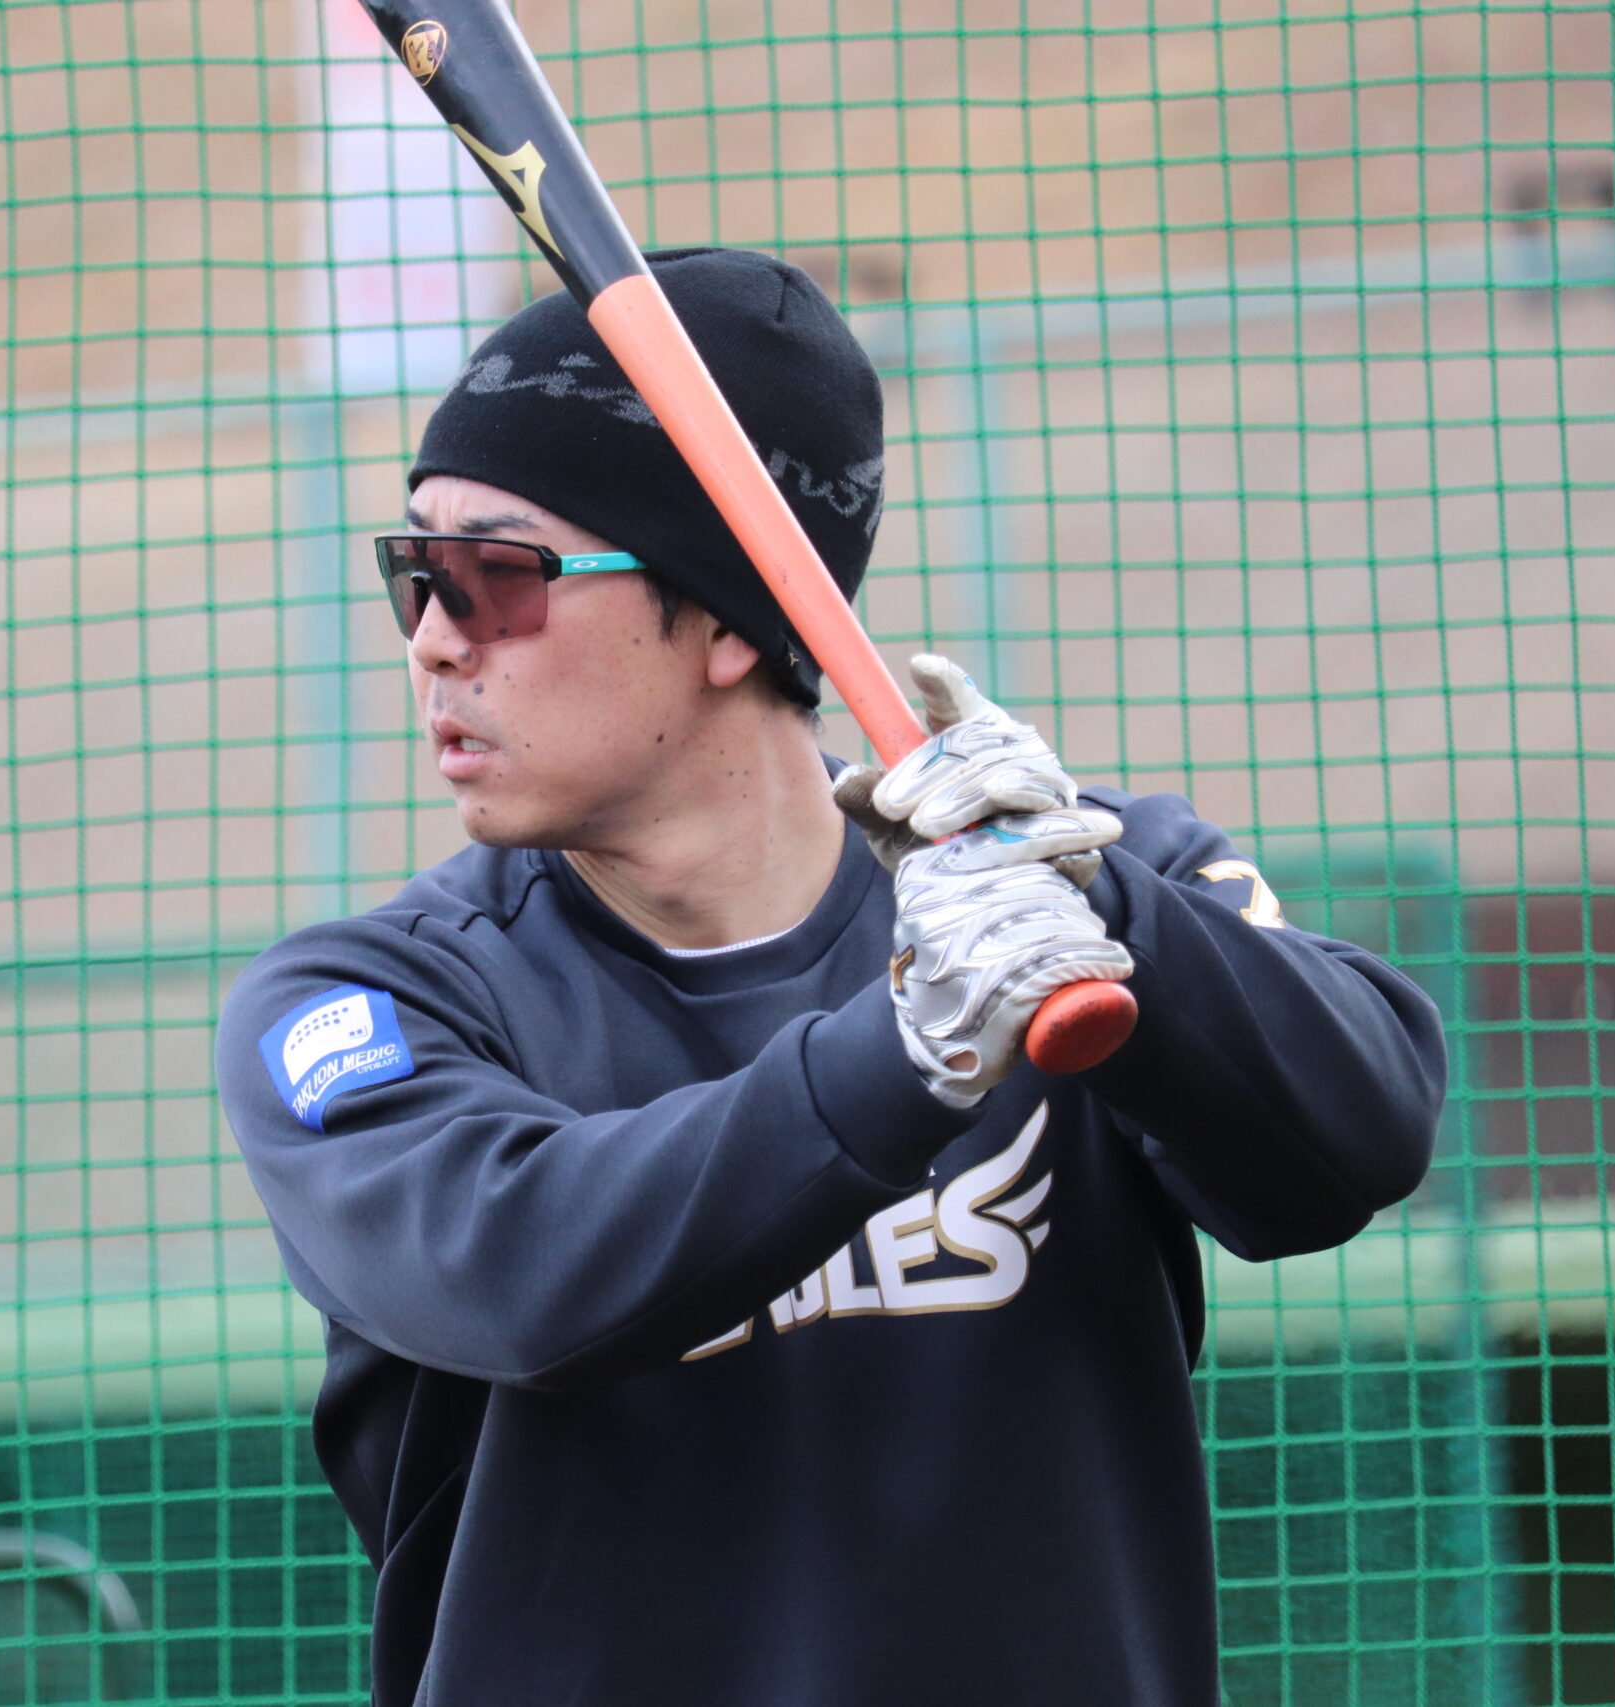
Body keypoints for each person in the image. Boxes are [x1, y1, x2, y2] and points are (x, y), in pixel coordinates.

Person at [215, 246, 1444, 1707]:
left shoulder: (1075, 886)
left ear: (732, 619)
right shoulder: (371, 1000)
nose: (430, 642)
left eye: (494, 579)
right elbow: (521, 1274)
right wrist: (909, 1057)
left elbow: (1354, 1142)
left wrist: (1107, 908)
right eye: (413, 574)